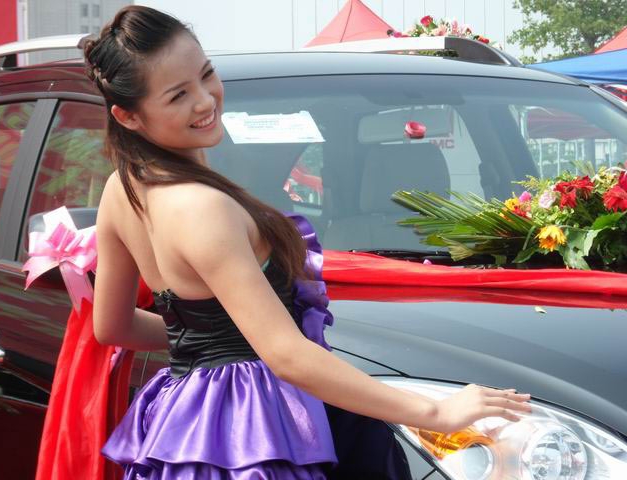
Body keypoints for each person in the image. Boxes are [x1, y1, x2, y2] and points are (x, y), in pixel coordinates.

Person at [87, 5, 531, 479]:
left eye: (206, 74)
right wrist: (437, 412)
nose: (204, 100)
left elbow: (112, 326)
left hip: (191, 423)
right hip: (253, 429)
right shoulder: (202, 207)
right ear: (128, 116)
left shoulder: (121, 189)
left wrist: (210, 342)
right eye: (178, 95)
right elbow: (286, 355)